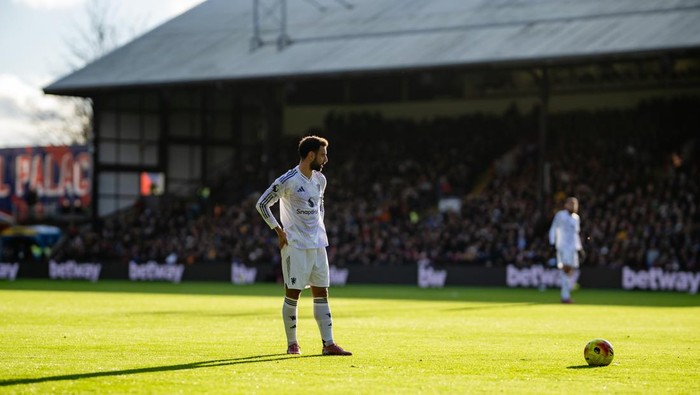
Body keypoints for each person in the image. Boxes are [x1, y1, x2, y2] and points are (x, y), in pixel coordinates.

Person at [256, 135, 352, 356]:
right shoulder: (288, 180)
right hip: (295, 245)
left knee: (322, 293)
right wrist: (277, 229)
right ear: (311, 155)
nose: (326, 158)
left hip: (318, 244)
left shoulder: (321, 180)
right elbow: (262, 203)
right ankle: (292, 344)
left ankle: (328, 344)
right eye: (323, 154)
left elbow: (321, 209)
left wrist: (320, 231)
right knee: (293, 294)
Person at [548, 197, 583, 304]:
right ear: (566, 205)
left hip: (573, 248)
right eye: (571, 204)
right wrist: (552, 243)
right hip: (563, 247)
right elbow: (553, 228)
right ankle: (565, 296)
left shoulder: (576, 218)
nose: (573, 206)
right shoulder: (560, 215)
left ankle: (567, 290)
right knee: (566, 270)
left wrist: (579, 248)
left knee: (570, 271)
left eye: (575, 204)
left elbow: (575, 234)